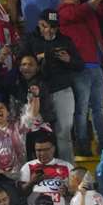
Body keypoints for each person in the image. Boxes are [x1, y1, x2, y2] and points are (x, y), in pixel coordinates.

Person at [57, 0, 103, 154]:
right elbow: (81, 11)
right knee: (82, 108)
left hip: (96, 65)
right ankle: (83, 145)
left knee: (99, 108)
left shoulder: (86, 10)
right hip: (79, 66)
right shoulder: (63, 11)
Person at [18, 9, 84, 163]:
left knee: (63, 133)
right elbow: (22, 61)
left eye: (53, 27)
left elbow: (80, 65)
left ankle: (68, 172)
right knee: (39, 134)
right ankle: (42, 170)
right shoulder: (31, 40)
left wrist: (69, 60)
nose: (50, 30)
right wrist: (40, 57)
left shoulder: (64, 40)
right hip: (38, 93)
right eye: (46, 26)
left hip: (62, 90)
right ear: (40, 24)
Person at [19, 132, 74, 205]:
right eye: (39, 150)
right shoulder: (28, 167)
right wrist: (31, 182)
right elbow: (20, 194)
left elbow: (77, 193)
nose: (42, 153)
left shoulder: (67, 166)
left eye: (46, 150)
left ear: (53, 149)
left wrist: (67, 192)